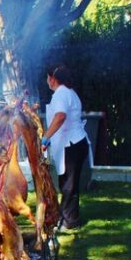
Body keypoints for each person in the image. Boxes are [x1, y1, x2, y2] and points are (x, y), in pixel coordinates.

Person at [41, 64, 92, 231]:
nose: (47, 81)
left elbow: (61, 116)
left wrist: (46, 137)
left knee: (69, 184)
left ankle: (69, 222)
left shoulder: (61, 93)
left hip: (71, 144)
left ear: (53, 78)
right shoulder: (70, 92)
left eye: (48, 78)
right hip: (76, 143)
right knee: (69, 183)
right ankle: (68, 217)